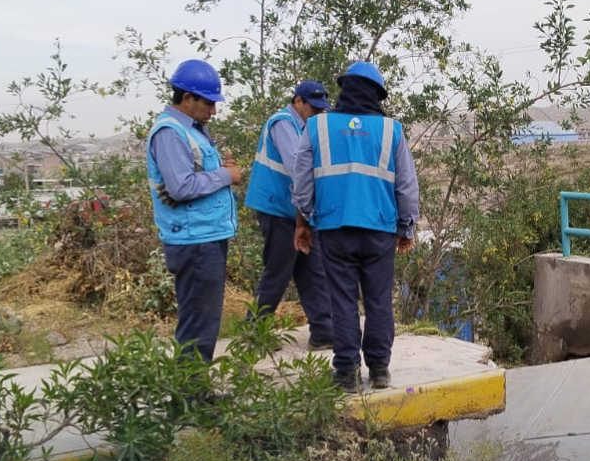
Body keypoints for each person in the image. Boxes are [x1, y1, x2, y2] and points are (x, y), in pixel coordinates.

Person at [291, 60, 419, 393]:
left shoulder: (317, 127)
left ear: (344, 89)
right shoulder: (392, 130)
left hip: (334, 229)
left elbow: (301, 184)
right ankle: (379, 370)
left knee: (343, 301)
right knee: (378, 301)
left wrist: (306, 220)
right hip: (378, 230)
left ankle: (346, 372)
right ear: (377, 95)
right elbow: (406, 186)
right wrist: (406, 228)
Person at [145, 59, 241, 363]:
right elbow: (181, 187)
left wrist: (222, 172)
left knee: (203, 321)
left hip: (204, 236)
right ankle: (190, 399)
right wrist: (228, 176)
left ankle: (195, 394)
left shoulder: (192, 130)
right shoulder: (170, 132)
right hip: (194, 240)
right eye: (209, 103)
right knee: (198, 323)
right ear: (187, 98)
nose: (213, 111)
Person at [244, 80, 335, 350]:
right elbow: (298, 167)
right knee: (279, 270)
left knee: (313, 269)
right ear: (298, 101)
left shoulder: (303, 126)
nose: (317, 113)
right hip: (278, 209)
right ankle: (254, 333)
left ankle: (323, 331)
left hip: (299, 211)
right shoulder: (282, 123)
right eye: (313, 107)